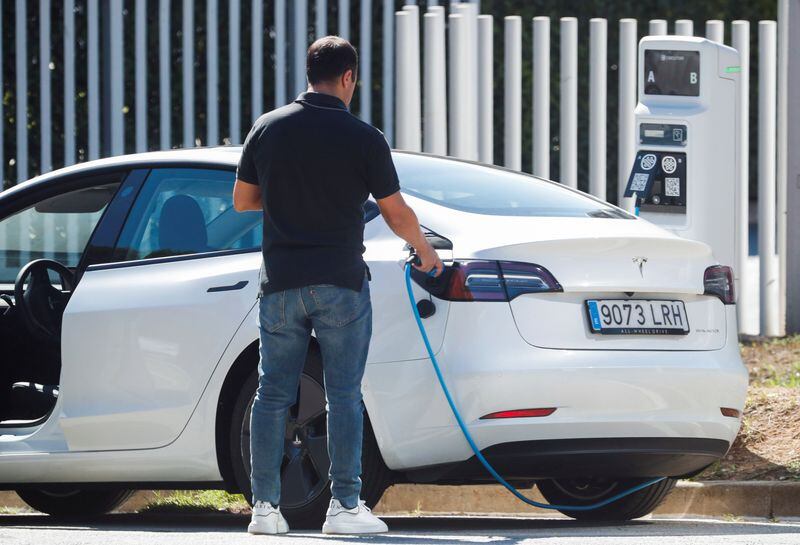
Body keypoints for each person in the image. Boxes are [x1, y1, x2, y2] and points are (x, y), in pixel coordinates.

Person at [232, 35, 443, 535]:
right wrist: (426, 249)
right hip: (340, 284)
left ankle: (265, 510)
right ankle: (344, 508)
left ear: (310, 73)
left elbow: (243, 200)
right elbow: (396, 212)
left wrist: (289, 199)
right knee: (343, 394)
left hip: (280, 284)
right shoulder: (364, 137)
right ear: (348, 78)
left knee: (271, 393)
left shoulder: (268, 128)